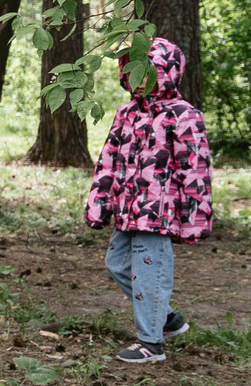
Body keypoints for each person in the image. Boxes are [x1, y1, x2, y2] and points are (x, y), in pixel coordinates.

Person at [85, 36, 212, 365]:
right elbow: (108, 162)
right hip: (128, 210)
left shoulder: (183, 116)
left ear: (167, 73)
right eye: (133, 72)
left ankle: (151, 343)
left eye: (148, 73)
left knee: (149, 272)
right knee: (116, 265)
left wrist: (194, 219)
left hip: (158, 213)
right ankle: (166, 319)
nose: (139, 81)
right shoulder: (125, 114)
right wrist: (99, 203)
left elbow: (195, 170)